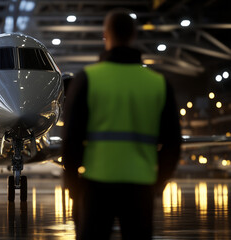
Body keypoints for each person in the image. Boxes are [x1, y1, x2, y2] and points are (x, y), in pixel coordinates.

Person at [62, 9, 182, 240]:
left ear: (105, 35)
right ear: (134, 35)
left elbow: (71, 140)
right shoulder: (157, 83)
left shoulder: (87, 79)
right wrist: (158, 183)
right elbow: (173, 142)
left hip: (96, 186)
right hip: (140, 187)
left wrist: (73, 186)